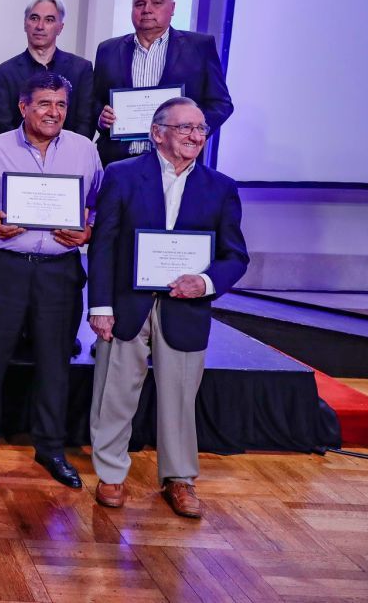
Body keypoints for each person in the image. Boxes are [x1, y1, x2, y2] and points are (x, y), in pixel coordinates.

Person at [87, 98, 249, 518]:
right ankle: (111, 474)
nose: (196, 136)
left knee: (179, 398)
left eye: (201, 130)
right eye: (185, 128)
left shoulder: (221, 188)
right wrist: (100, 305)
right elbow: (103, 244)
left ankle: (179, 480)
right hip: (126, 304)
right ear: (157, 133)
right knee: (115, 392)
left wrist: (206, 281)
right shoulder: (121, 176)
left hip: (186, 308)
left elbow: (235, 256)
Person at [0, 72, 102, 489]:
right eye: (44, 104)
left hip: (60, 270)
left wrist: (88, 230)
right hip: (5, 265)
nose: (53, 113)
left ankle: (51, 445)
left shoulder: (86, 151)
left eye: (61, 106)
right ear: (23, 107)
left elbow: (98, 206)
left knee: (55, 360)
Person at [93, 0, 234, 167]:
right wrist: (101, 119)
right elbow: (94, 101)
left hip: (176, 162)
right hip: (117, 161)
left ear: (172, 8)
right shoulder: (108, 49)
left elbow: (221, 104)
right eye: (139, 4)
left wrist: (191, 129)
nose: (147, 10)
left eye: (157, 3)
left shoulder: (200, 47)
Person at [0, 0, 95, 138]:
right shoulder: (4, 74)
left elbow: (85, 124)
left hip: (69, 157)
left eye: (49, 20)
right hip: (18, 157)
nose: (40, 26)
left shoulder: (81, 69)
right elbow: (3, 129)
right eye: (34, 18)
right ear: (25, 24)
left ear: (60, 27)